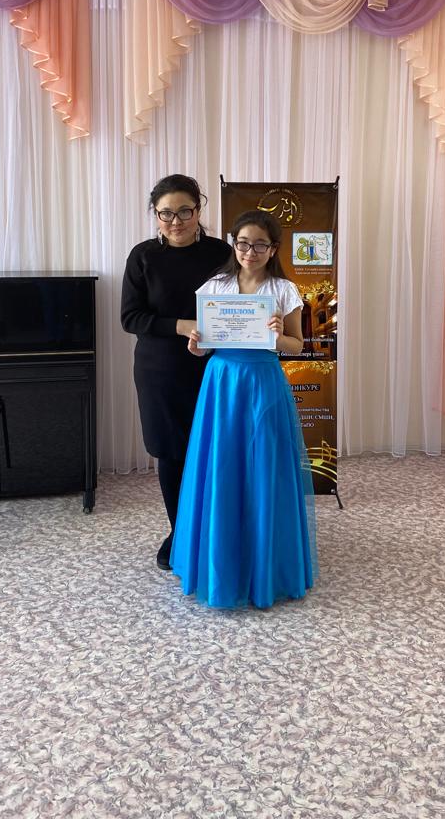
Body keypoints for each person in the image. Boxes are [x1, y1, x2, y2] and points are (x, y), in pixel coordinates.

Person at [170, 209, 318, 609]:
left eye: (259, 245)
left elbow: (297, 345)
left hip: (263, 383)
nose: (250, 252)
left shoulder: (283, 290)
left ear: (273, 249)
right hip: (221, 382)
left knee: (264, 467)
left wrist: (278, 336)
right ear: (233, 244)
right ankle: (219, 563)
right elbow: (205, 345)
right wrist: (196, 344)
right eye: (243, 243)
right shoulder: (215, 286)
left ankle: (266, 567)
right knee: (221, 465)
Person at [121, 175, 231, 569]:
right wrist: (182, 326)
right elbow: (131, 317)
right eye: (165, 213)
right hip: (160, 371)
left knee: (213, 449)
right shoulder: (143, 256)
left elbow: (241, 300)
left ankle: (215, 529)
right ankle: (179, 531)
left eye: (185, 211)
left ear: (198, 210)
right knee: (170, 453)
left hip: (214, 368)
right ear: (155, 215)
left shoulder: (221, 253)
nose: (176, 221)